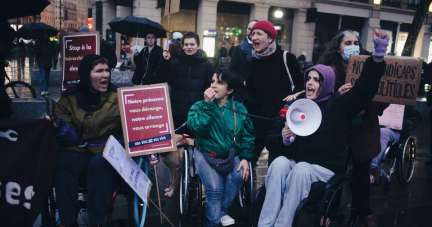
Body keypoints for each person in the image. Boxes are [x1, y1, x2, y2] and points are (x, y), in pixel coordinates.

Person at [259, 29, 389, 227]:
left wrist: (377, 57)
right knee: (279, 164)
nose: (310, 83)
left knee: (301, 168)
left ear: (326, 83)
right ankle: (265, 223)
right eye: (308, 79)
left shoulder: (339, 105)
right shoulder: (298, 105)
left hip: (324, 169)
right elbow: (270, 137)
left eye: (316, 80)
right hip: (300, 165)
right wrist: (284, 138)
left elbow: (365, 89)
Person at [47, 54, 158, 227]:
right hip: (77, 147)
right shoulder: (67, 100)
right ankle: (68, 221)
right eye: (99, 71)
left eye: (107, 70)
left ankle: (97, 221)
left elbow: (135, 128)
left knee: (100, 164)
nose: (105, 74)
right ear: (86, 75)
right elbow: (70, 138)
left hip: (108, 149)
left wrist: (148, 147)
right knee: (63, 162)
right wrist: (59, 128)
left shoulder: (118, 97)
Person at [187, 68, 254, 227]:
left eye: (220, 82)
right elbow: (196, 127)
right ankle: (213, 222)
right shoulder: (200, 106)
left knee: (238, 177)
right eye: (212, 81)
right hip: (205, 154)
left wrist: (245, 158)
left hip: (231, 154)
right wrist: (208, 106)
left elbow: (248, 136)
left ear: (230, 90)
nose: (214, 85)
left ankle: (222, 211)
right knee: (215, 189)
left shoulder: (240, 109)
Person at [243, 20, 304, 167]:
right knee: (247, 164)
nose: (254, 37)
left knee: (276, 166)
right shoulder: (253, 61)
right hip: (258, 122)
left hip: (280, 123)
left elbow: (301, 86)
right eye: (252, 34)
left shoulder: (287, 58)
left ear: (270, 38)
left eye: (259, 33)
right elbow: (249, 91)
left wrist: (295, 96)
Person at [147, 32, 215, 136]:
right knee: (177, 147)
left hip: (197, 114)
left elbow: (210, 88)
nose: (189, 47)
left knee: (195, 146)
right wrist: (164, 62)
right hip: (177, 114)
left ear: (198, 46)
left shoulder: (207, 66)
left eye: (192, 44)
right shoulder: (175, 64)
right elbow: (161, 80)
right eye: (186, 44)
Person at [370, 105, 422, 184]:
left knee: (382, 132)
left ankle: (373, 168)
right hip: (374, 126)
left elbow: (416, 119)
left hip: (394, 130)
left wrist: (397, 123)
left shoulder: (406, 101)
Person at [229, 20, 257, 102]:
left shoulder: (265, 51)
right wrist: (243, 81)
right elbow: (232, 69)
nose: (250, 31)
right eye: (249, 29)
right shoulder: (239, 49)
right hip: (241, 92)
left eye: (254, 29)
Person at [33, 31, 55, 96]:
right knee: (43, 76)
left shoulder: (50, 43)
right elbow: (33, 51)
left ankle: (46, 89)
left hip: (48, 62)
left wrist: (55, 59)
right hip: (41, 62)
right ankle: (43, 90)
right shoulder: (38, 42)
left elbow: (54, 51)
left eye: (46, 34)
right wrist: (38, 51)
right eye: (44, 34)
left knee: (47, 77)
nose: (45, 35)